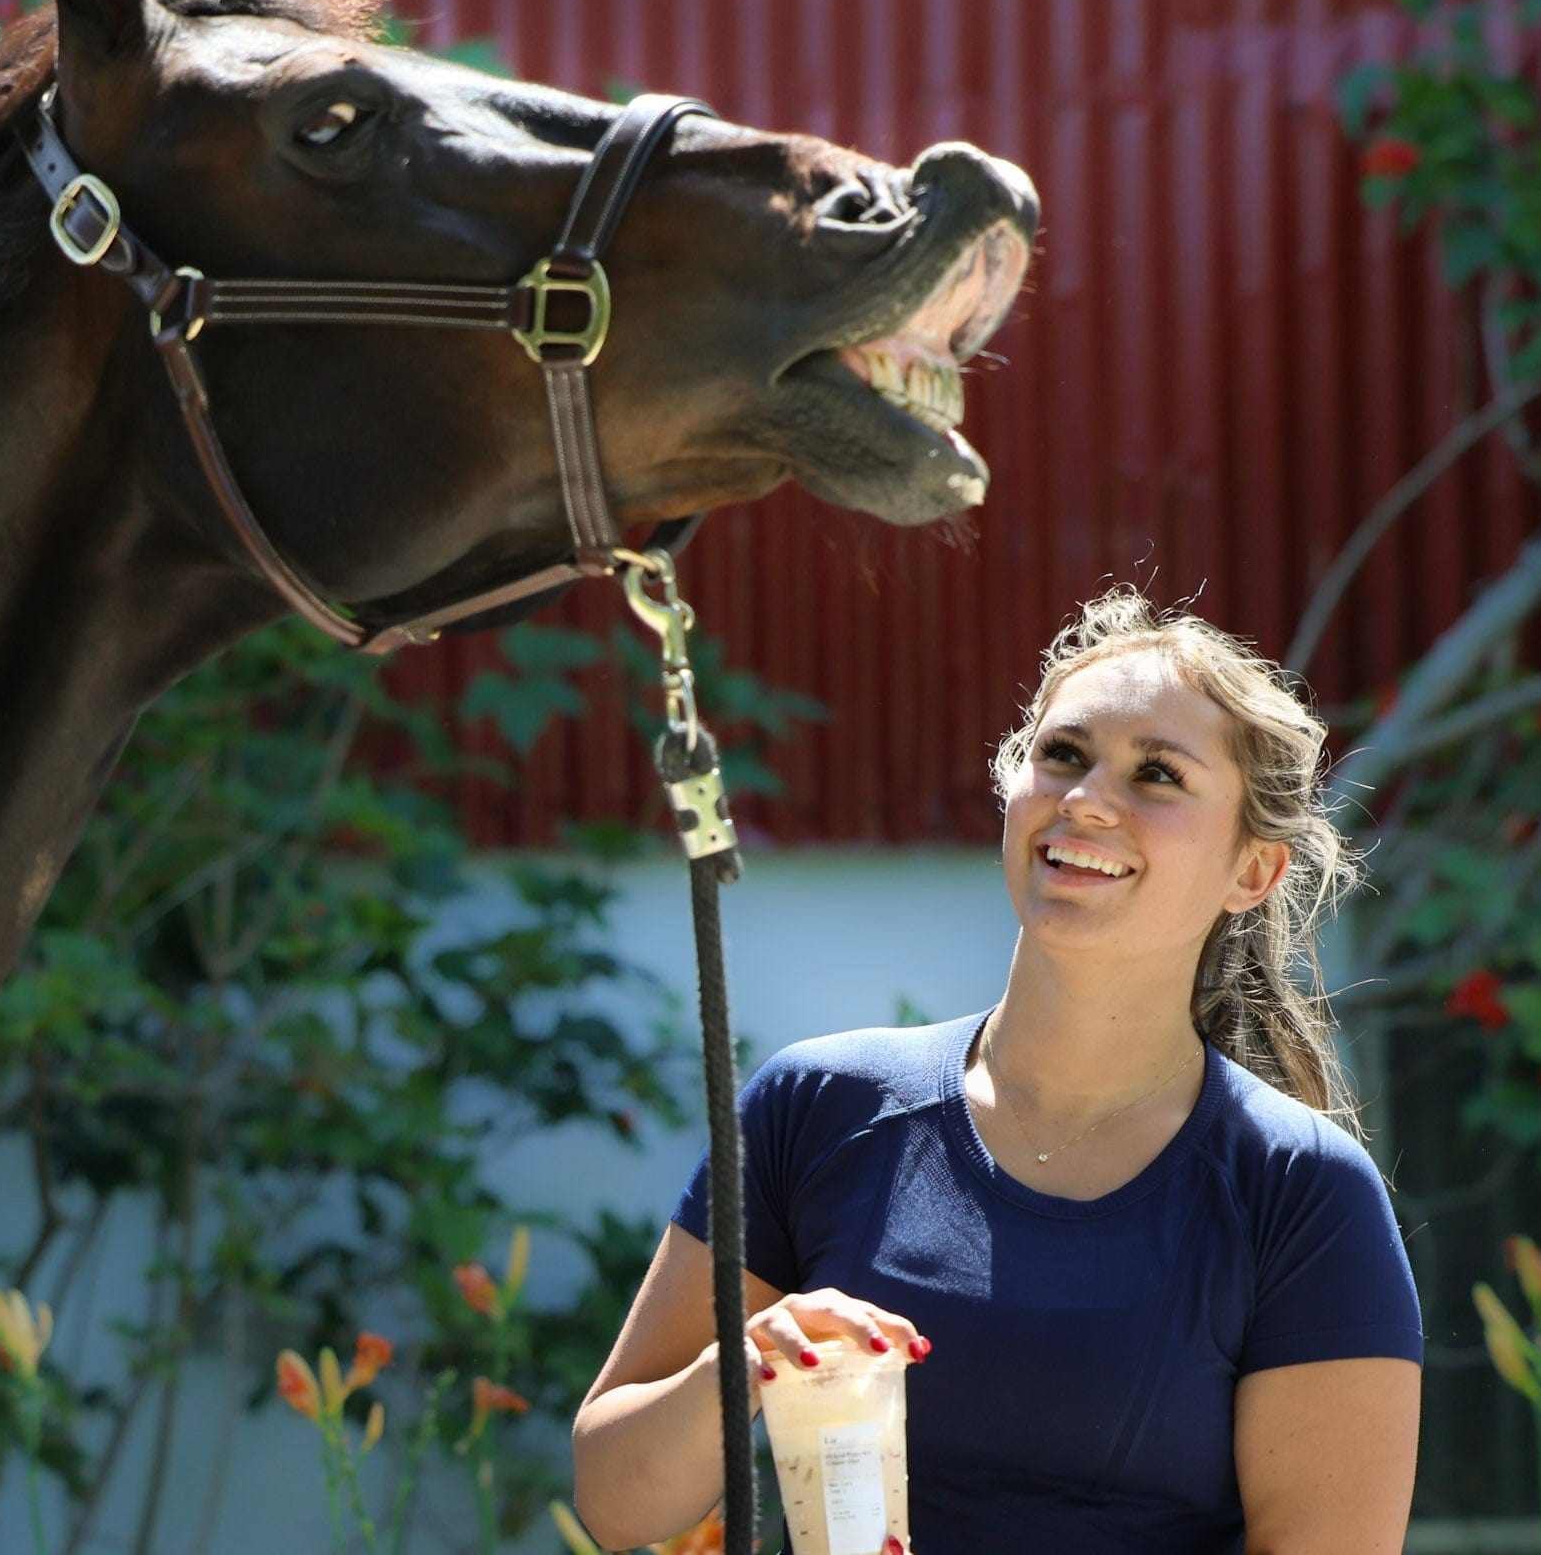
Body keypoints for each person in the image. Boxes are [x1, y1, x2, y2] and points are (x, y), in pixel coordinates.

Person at [571, 588, 1422, 1554]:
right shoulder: (815, 1108)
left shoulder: (1300, 1192)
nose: (1087, 798)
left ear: (1253, 872)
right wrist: (752, 1361)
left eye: (1156, 775)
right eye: (1062, 755)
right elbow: (614, 1500)